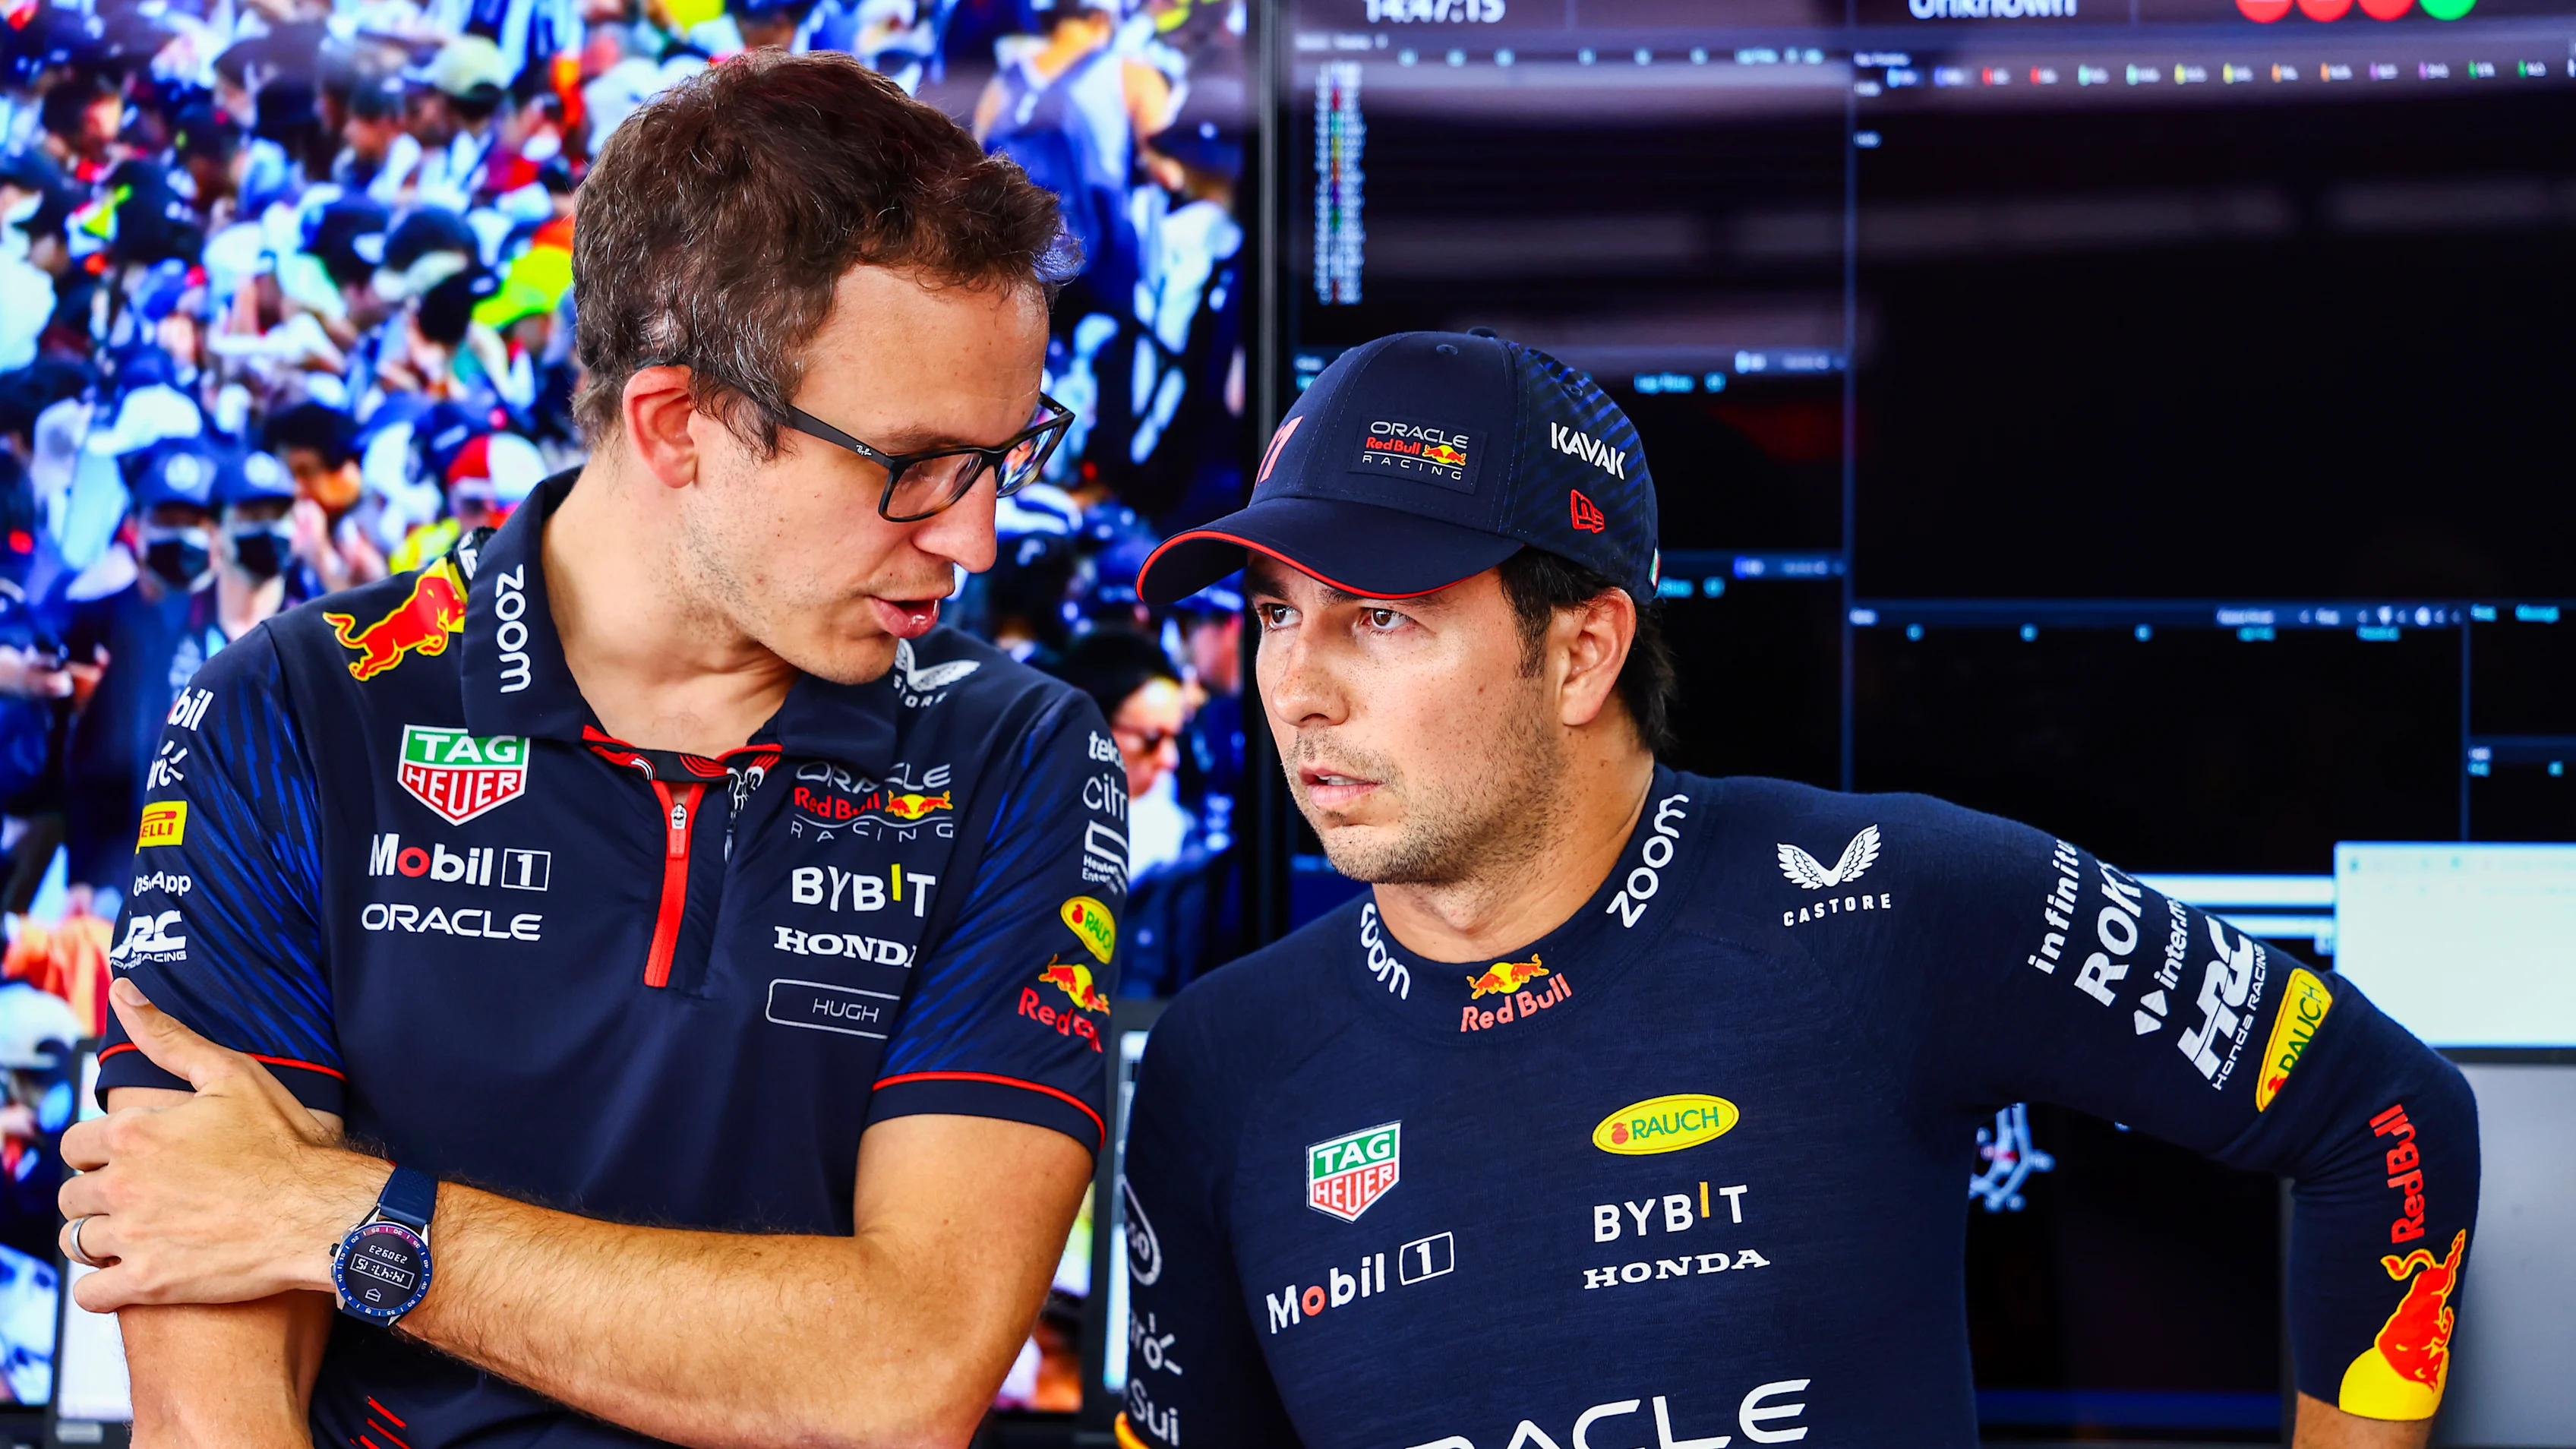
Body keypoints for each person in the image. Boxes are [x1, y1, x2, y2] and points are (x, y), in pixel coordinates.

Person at [1113, 330, 2481, 1448]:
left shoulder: (1885, 902)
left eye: (1381, 616)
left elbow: (2382, 1115)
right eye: (1279, 612)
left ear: (1584, 653)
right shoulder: (1220, 1068)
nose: (1297, 686)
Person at [55, 52, 1127, 1449]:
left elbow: (904, 1371)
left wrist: (334, 1215)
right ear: (676, 424)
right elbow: (214, 1414)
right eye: (911, 467)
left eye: (1008, 452)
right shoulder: (294, 713)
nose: (974, 539)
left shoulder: (1016, 753)